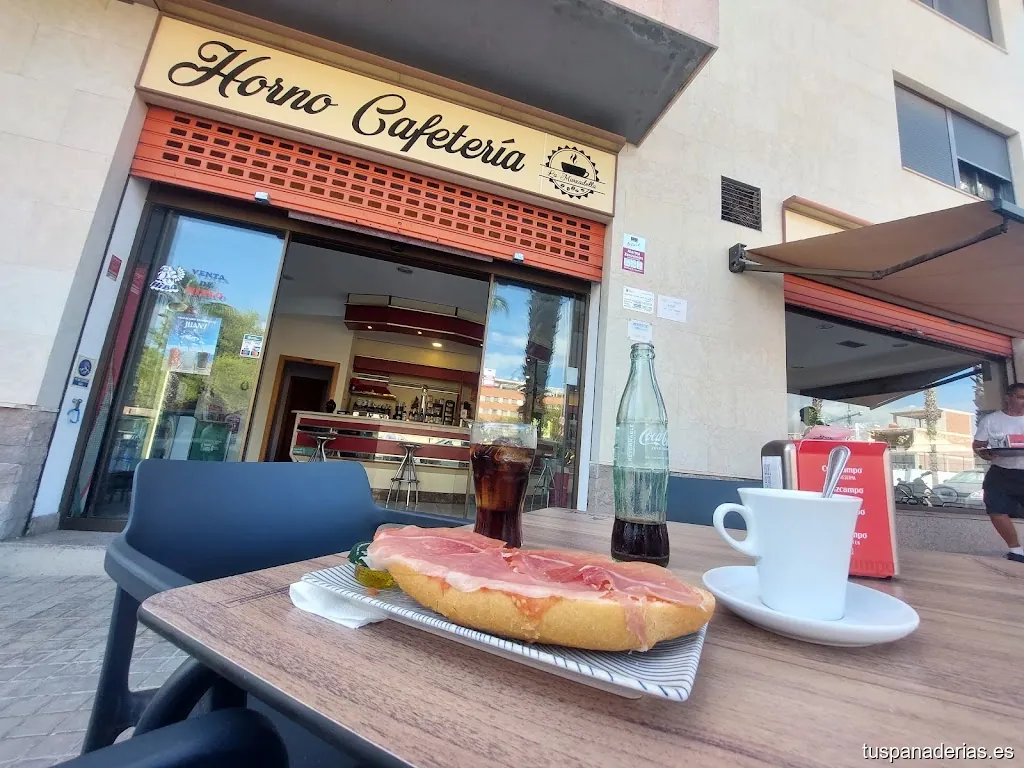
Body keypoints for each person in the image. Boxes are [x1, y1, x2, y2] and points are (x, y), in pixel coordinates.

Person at [973, 382, 1024, 563]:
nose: (1023, 402)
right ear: (1008, 398)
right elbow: (978, 445)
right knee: (995, 509)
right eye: (1020, 397)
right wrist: (986, 453)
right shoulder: (992, 420)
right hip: (1001, 472)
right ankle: (1017, 551)